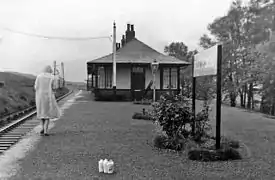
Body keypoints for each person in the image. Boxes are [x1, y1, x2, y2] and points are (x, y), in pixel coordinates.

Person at [34, 65, 61, 136]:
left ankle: (42, 128)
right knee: (47, 114)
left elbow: (36, 87)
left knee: (41, 113)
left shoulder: (39, 76)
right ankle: (46, 131)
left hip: (39, 97)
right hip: (48, 96)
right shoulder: (52, 77)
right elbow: (55, 87)